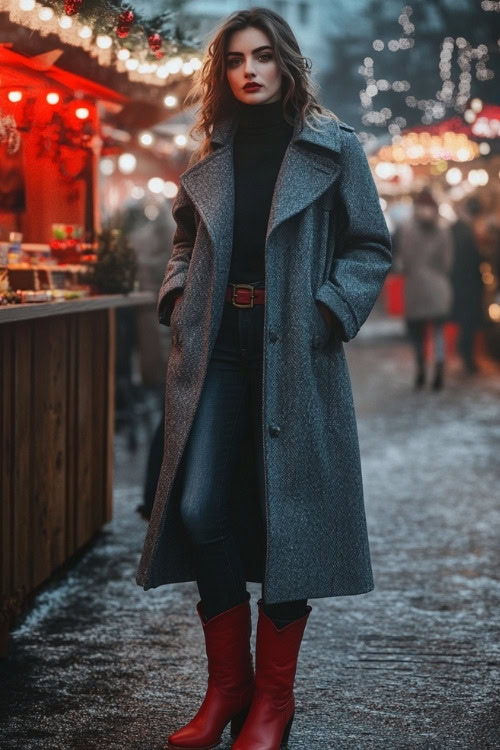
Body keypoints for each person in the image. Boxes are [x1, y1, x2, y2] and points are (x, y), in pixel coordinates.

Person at [135, 8, 392, 750]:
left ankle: (273, 705)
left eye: (263, 57)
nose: (250, 70)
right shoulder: (211, 150)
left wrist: (327, 310)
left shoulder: (333, 148)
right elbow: (186, 236)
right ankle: (228, 689)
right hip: (217, 342)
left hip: (295, 347)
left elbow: (370, 245)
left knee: (292, 516)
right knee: (199, 503)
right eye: (236, 60)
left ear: (286, 64)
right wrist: (177, 295)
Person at [396, 189, 454, 391]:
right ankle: (438, 372)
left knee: (418, 334)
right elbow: (447, 262)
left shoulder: (407, 230)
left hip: (415, 289)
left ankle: (420, 370)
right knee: (438, 332)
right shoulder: (443, 231)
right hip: (438, 288)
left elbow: (404, 261)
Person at [449, 197, 484, 373]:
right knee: (468, 323)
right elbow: (472, 260)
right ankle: (467, 358)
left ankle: (466, 355)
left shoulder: (456, 230)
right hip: (468, 285)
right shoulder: (465, 233)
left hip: (460, 284)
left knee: (466, 322)